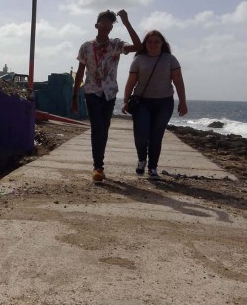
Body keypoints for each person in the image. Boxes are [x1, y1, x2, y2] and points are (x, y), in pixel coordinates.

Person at [71, 9, 141, 182]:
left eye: (110, 23)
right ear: (97, 25)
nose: (107, 25)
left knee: (104, 128)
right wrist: (74, 98)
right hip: (92, 91)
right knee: (97, 127)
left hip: (109, 93)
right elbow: (80, 73)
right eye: (103, 22)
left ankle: (99, 164)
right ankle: (98, 167)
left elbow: (139, 47)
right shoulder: (86, 47)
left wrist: (126, 22)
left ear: (111, 28)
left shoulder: (116, 45)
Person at [121, 30, 187, 178]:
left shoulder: (170, 59)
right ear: (145, 44)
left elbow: (178, 82)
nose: (153, 45)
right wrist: (126, 101)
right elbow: (131, 82)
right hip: (142, 102)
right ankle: (141, 160)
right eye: (150, 42)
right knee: (141, 135)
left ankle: (152, 167)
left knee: (157, 136)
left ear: (162, 43)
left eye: (157, 41)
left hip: (164, 102)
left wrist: (183, 102)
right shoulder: (139, 59)